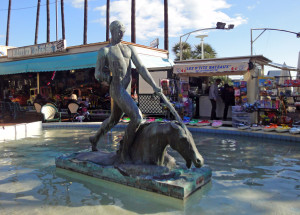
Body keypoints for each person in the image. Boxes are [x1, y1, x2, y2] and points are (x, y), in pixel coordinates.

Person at [89, 20, 161, 163]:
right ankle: (125, 152)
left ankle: (94, 138)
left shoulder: (129, 49)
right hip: (116, 88)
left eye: (123, 31)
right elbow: (97, 74)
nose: (122, 34)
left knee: (114, 120)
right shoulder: (105, 51)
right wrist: (109, 79)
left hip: (126, 89)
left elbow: (141, 67)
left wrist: (154, 85)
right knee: (137, 117)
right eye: (119, 31)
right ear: (112, 31)